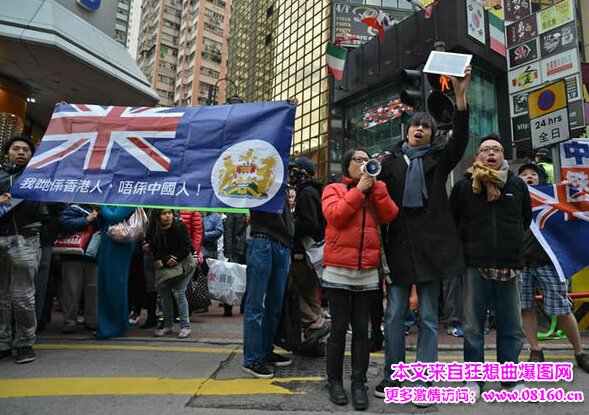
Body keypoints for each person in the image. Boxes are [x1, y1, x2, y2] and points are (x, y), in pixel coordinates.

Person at [375, 66, 472, 401]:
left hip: (434, 249)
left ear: (432, 135)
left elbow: (459, 139)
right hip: (399, 247)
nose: (420, 129)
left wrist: (460, 97)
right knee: (394, 315)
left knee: (430, 318)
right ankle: (393, 376)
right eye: (415, 125)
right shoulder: (389, 164)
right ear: (407, 130)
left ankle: (423, 382)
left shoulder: (438, 160)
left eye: (426, 127)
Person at [450, 135, 532, 400]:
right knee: (473, 326)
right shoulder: (464, 187)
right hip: (475, 264)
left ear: (503, 155)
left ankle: (510, 379)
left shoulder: (517, 185)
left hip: (509, 264)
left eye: (496, 149)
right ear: (478, 156)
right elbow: (455, 221)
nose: (491, 153)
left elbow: (525, 220)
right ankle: (474, 379)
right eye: (486, 150)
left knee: (511, 325)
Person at [322, 148, 399, 410]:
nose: (364, 164)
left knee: (363, 332)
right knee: (339, 328)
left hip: (367, 273)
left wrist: (374, 189)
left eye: (368, 160)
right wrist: (358, 191)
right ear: (347, 165)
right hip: (337, 272)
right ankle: (333, 381)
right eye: (358, 160)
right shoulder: (334, 189)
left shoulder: (377, 189)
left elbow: (390, 215)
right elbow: (336, 216)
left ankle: (358, 382)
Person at [518, 163, 589, 372]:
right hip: (521, 262)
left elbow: (576, 208)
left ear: (540, 179)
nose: (529, 177)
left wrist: (568, 191)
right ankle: (535, 350)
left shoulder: (551, 201)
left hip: (548, 262)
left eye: (533, 174)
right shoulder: (514, 199)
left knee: (563, 309)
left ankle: (579, 352)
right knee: (525, 307)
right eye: (523, 175)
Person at [242, 187, 295, 379]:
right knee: (255, 304)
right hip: (263, 241)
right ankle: (252, 359)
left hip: (282, 244)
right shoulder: (260, 175)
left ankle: (265, 351)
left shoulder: (282, 180)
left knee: (274, 306)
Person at [0, 135, 43, 363]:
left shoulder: (40, 177)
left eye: (25, 149)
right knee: (1, 297)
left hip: (25, 239)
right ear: (7, 152)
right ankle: (3, 342)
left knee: (23, 297)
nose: (20, 152)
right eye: (15, 148)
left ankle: (25, 343)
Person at [288, 156, 330, 347]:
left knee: (291, 292)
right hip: (312, 253)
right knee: (311, 295)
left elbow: (310, 223)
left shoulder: (306, 193)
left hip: (303, 253)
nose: (291, 174)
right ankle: (317, 341)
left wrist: (291, 225)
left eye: (295, 170)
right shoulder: (315, 191)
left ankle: (315, 324)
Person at [147, 209, 195, 338]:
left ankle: (185, 326)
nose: (168, 216)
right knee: (164, 293)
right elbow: (153, 247)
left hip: (184, 265)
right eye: (164, 213)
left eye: (169, 213)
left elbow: (187, 248)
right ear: (157, 216)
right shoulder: (152, 228)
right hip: (166, 266)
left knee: (179, 293)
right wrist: (162, 258)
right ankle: (168, 325)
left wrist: (174, 258)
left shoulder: (180, 226)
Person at [58, 204, 102, 333]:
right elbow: (64, 223)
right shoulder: (74, 208)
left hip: (93, 255)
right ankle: (69, 322)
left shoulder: (101, 209)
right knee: (71, 290)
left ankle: (92, 320)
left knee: (93, 289)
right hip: (73, 255)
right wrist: (86, 220)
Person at [95, 205, 136, 339]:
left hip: (118, 245)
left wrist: (102, 205)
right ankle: (109, 324)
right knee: (106, 285)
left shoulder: (128, 196)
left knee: (115, 286)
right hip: (109, 243)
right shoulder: (113, 196)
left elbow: (114, 217)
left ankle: (114, 326)